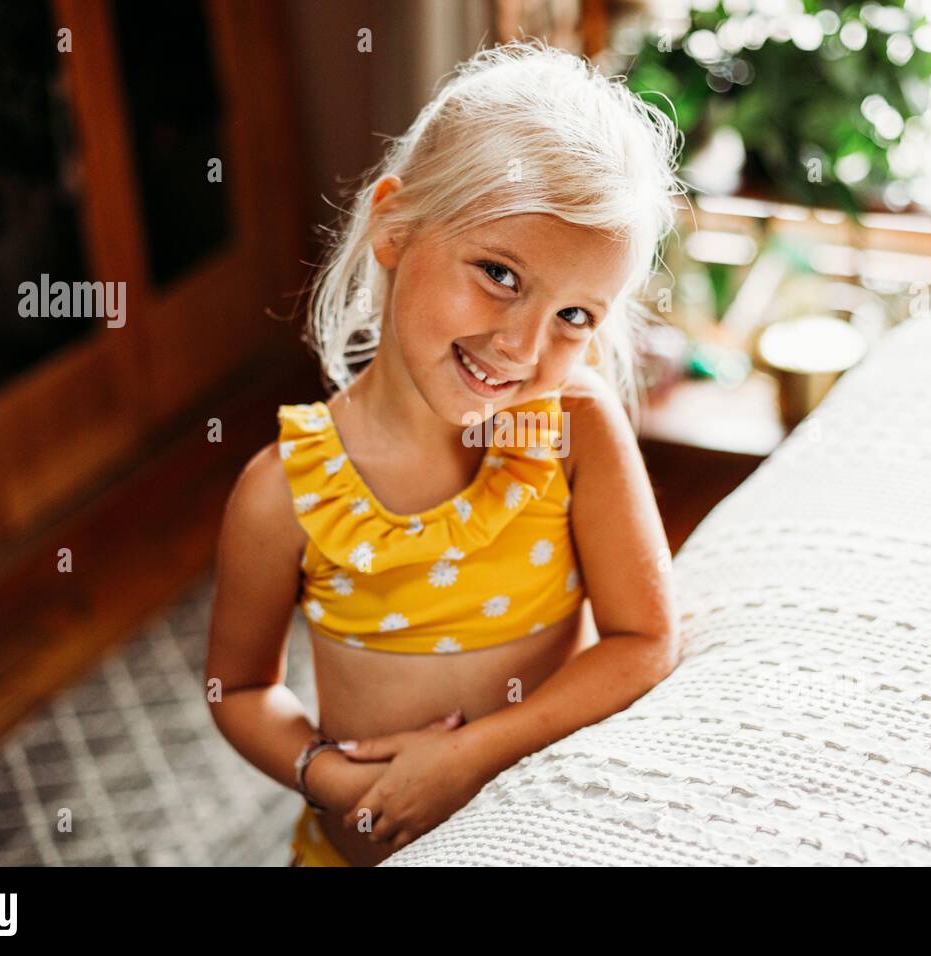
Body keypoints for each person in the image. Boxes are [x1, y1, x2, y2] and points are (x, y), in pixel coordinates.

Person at [206, 37, 686, 866]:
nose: (523, 346)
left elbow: (643, 639)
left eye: (576, 316)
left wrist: (469, 758)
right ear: (394, 225)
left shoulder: (574, 431)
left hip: (538, 841)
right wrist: (324, 775)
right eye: (500, 273)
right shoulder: (281, 493)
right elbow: (240, 690)